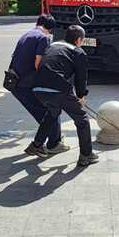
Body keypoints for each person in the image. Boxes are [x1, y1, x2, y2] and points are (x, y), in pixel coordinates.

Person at [25, 25, 99, 167]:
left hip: (37, 88)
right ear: (78, 39)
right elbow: (81, 78)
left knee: (53, 113)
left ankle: (36, 144)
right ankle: (86, 155)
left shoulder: (53, 45)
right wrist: (80, 95)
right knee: (82, 119)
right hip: (58, 89)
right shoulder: (78, 52)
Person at [9, 14, 68, 153]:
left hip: (16, 83)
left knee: (41, 112)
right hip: (27, 84)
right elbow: (38, 64)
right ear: (50, 30)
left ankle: (54, 137)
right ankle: (54, 143)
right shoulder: (43, 38)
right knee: (51, 111)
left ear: (37, 23)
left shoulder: (26, 35)